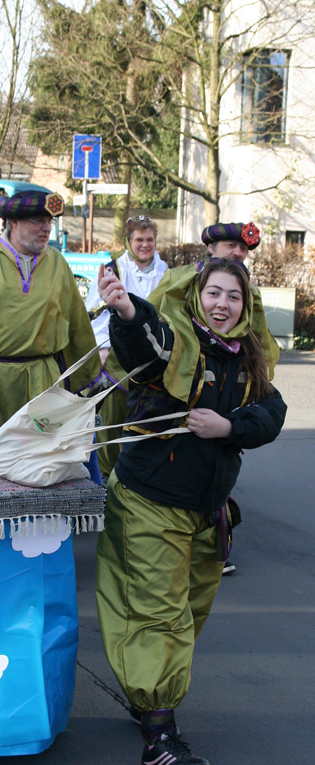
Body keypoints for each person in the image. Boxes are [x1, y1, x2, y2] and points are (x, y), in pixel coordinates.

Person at [94, 257, 286, 765]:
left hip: (207, 511)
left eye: (234, 296)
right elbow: (145, 345)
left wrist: (228, 426)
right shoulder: (176, 340)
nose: (222, 305)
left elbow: (272, 411)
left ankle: (147, 698)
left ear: (246, 306)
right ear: (196, 295)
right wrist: (127, 310)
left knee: (190, 615)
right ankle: (158, 737)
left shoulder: (245, 355)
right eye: (213, 293)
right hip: (150, 502)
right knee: (161, 619)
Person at [151, 219, 267, 574]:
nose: (238, 252)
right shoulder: (181, 280)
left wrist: (253, 383)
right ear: (212, 248)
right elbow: (155, 323)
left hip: (232, 386)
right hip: (181, 390)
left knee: (221, 470)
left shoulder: (248, 288)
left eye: (244, 248)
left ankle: (216, 544)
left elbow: (260, 340)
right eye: (231, 246)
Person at [0, 190, 101, 426]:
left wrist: (85, 379)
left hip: (43, 386)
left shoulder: (57, 263)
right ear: (13, 221)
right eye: (37, 221)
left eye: (50, 221)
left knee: (40, 460)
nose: (47, 228)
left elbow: (77, 326)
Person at [85, 215, 168, 479]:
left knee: (146, 427)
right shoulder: (112, 270)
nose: (145, 245)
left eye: (150, 240)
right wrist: (102, 348)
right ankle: (107, 483)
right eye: (139, 240)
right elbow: (97, 313)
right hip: (116, 364)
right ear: (128, 241)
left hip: (154, 360)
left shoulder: (166, 272)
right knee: (111, 427)